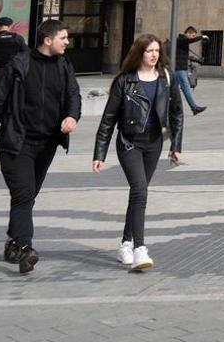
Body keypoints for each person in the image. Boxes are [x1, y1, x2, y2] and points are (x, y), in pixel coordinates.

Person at [0, 19, 82, 274]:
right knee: (23, 195)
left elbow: (73, 95)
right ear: (48, 40)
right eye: (63, 37)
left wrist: (72, 116)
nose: (67, 42)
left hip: (46, 143)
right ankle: (25, 249)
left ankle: (14, 241)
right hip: (17, 141)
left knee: (28, 194)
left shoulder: (64, 65)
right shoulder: (19, 63)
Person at [92, 34, 183, 271]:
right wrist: (99, 153)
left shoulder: (166, 78)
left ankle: (125, 242)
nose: (154, 55)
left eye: (157, 51)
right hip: (129, 143)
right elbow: (108, 119)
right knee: (140, 191)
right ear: (139, 53)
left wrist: (175, 146)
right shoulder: (125, 81)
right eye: (149, 51)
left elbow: (177, 114)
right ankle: (140, 249)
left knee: (138, 194)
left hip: (155, 144)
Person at [174, 26, 208, 115]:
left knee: (173, 90)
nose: (193, 37)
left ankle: (171, 106)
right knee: (185, 88)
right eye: (192, 35)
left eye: (194, 36)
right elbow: (189, 40)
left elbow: (185, 56)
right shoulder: (180, 40)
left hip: (181, 69)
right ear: (187, 33)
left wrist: (197, 60)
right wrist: (202, 37)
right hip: (179, 69)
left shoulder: (183, 42)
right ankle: (194, 107)